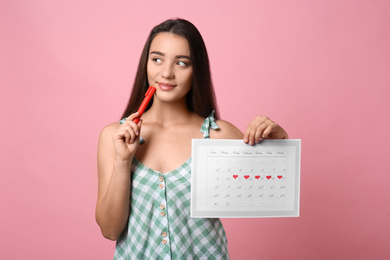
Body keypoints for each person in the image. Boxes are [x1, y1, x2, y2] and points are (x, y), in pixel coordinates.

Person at [96, 18, 288, 260]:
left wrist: (281, 143)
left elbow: (275, 190)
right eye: (157, 59)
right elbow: (110, 230)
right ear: (145, 64)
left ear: (196, 70)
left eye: (181, 63)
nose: (166, 73)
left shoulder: (219, 135)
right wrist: (124, 162)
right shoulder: (114, 137)